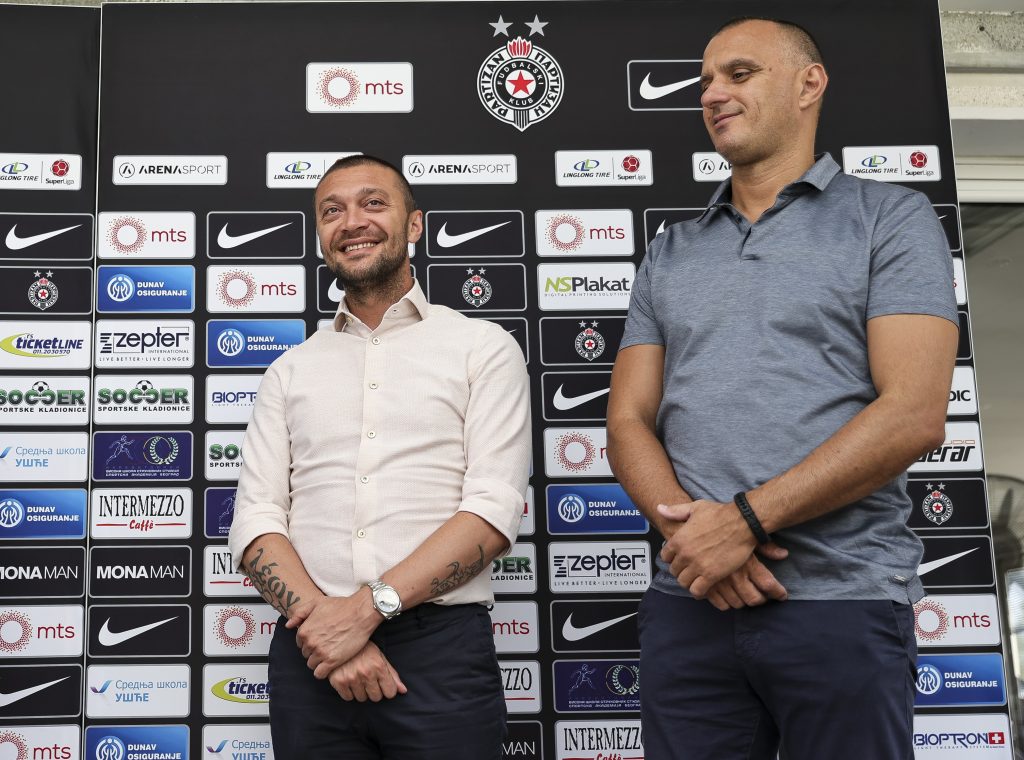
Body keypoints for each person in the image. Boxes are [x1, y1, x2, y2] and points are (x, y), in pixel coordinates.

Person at [606, 17, 958, 760]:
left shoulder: (889, 219)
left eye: (738, 74)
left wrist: (743, 523)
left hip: (842, 599)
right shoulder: (671, 249)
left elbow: (915, 415)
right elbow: (629, 420)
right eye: (705, 81)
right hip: (691, 602)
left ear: (809, 83)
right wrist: (695, 542)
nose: (712, 94)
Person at [227, 154, 531, 760]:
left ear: (414, 225)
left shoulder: (482, 348)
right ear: (321, 236)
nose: (352, 221)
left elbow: (493, 512)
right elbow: (255, 521)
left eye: (373, 203)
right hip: (308, 655)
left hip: (439, 651)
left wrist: (366, 612)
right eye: (332, 211)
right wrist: (330, 632)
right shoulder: (291, 369)